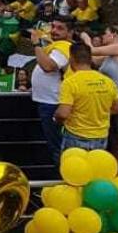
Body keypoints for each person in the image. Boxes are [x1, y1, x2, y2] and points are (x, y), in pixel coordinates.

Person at [85, 26, 118, 172]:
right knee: (116, 143)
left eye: (105, 34)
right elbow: (92, 59)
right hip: (113, 99)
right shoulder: (109, 55)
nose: (102, 37)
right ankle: (116, 176)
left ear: (114, 34)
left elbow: (91, 51)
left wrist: (86, 38)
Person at [56, 42, 118, 152]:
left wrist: (56, 119)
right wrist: (98, 111)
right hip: (101, 137)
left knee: (74, 168)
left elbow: (63, 113)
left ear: (71, 59)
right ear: (90, 59)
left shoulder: (70, 82)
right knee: (96, 168)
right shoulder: (107, 81)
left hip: (76, 135)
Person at [31, 19, 74, 164]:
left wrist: (36, 44)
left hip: (53, 105)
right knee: (54, 144)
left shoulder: (64, 47)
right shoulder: (55, 46)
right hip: (47, 102)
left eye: (60, 28)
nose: (54, 31)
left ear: (70, 32)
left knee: (58, 146)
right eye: (53, 27)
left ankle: (65, 178)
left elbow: (48, 66)